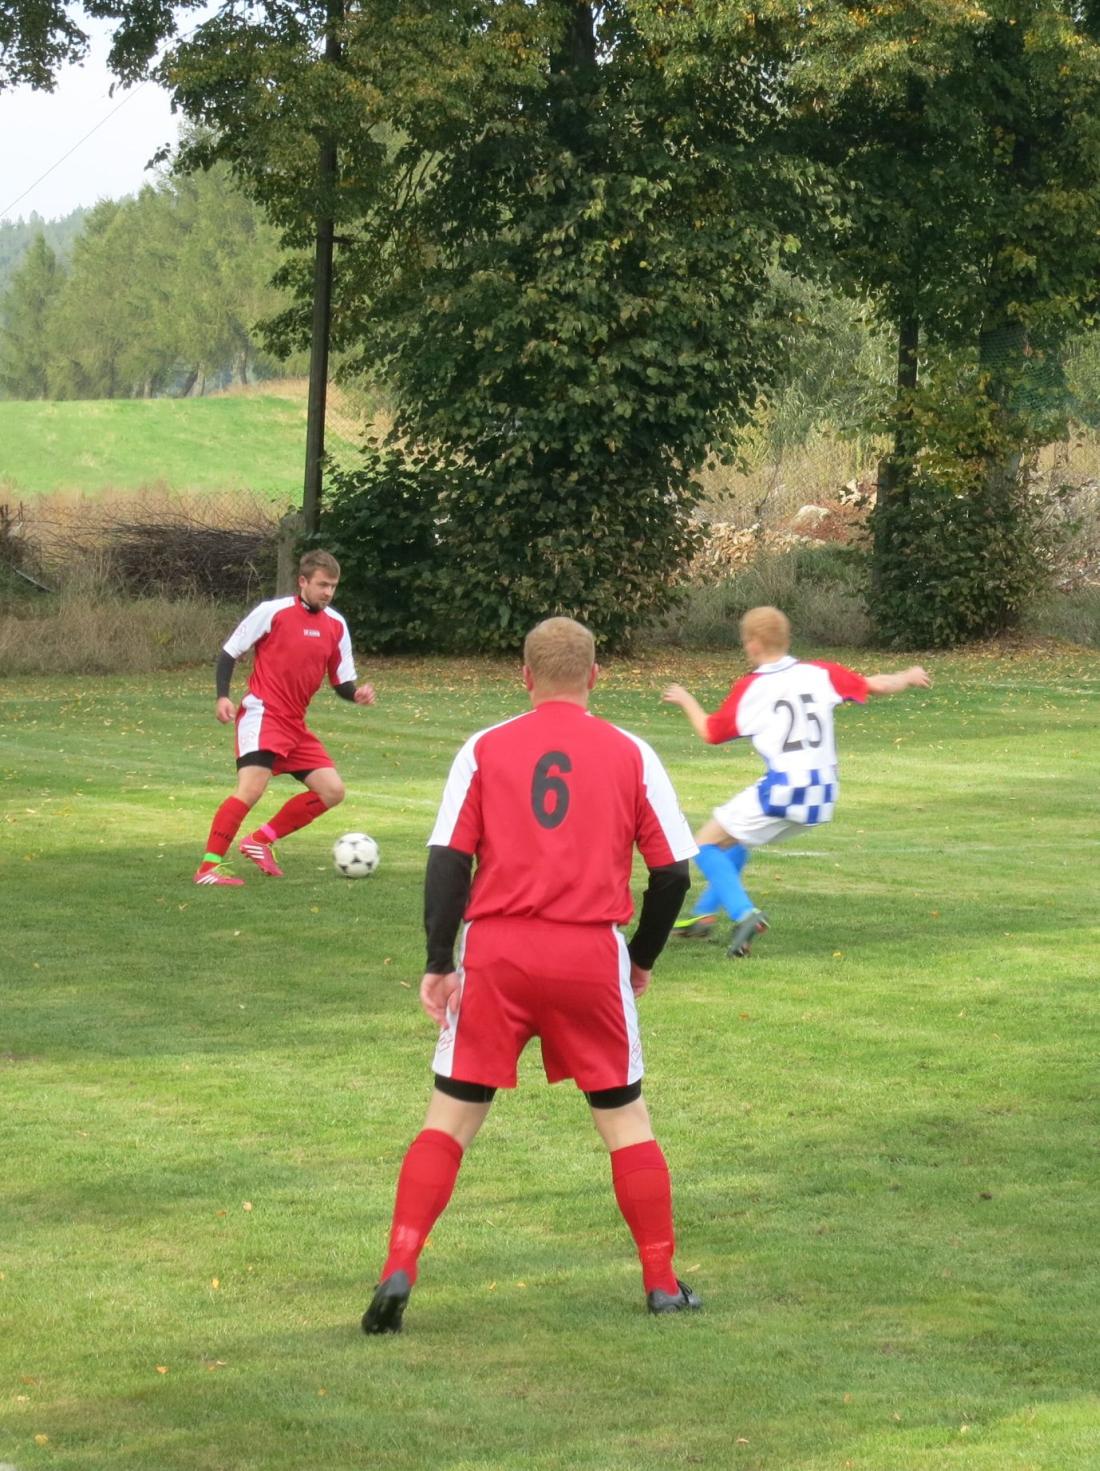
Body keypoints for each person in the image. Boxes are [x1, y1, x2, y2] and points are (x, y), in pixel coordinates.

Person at [361, 616, 700, 1334]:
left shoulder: (484, 747)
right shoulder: (632, 752)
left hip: (498, 953)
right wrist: (640, 959)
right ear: (595, 677)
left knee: (450, 1116)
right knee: (625, 1119)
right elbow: (672, 873)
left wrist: (438, 961)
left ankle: (400, 1263)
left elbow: (447, 861)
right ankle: (662, 1283)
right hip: (588, 954)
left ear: (524, 677)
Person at [662, 605, 930, 957]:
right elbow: (875, 684)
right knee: (737, 838)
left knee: (704, 844)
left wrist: (686, 700)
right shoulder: (820, 673)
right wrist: (907, 676)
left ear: (752, 644)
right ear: (787, 639)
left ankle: (745, 914)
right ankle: (704, 915)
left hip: (785, 788)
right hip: (823, 793)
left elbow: (710, 732)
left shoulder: (753, 687)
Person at [193, 549, 376, 886]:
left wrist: (356, 694)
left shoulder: (336, 625)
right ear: (303, 582)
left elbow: (341, 681)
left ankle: (259, 840)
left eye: (333, 586)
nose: (328, 592)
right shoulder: (272, 612)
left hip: (294, 724)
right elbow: (230, 651)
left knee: (332, 791)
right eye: (322, 585)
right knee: (251, 789)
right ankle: (208, 868)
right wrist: (222, 696)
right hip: (263, 715)